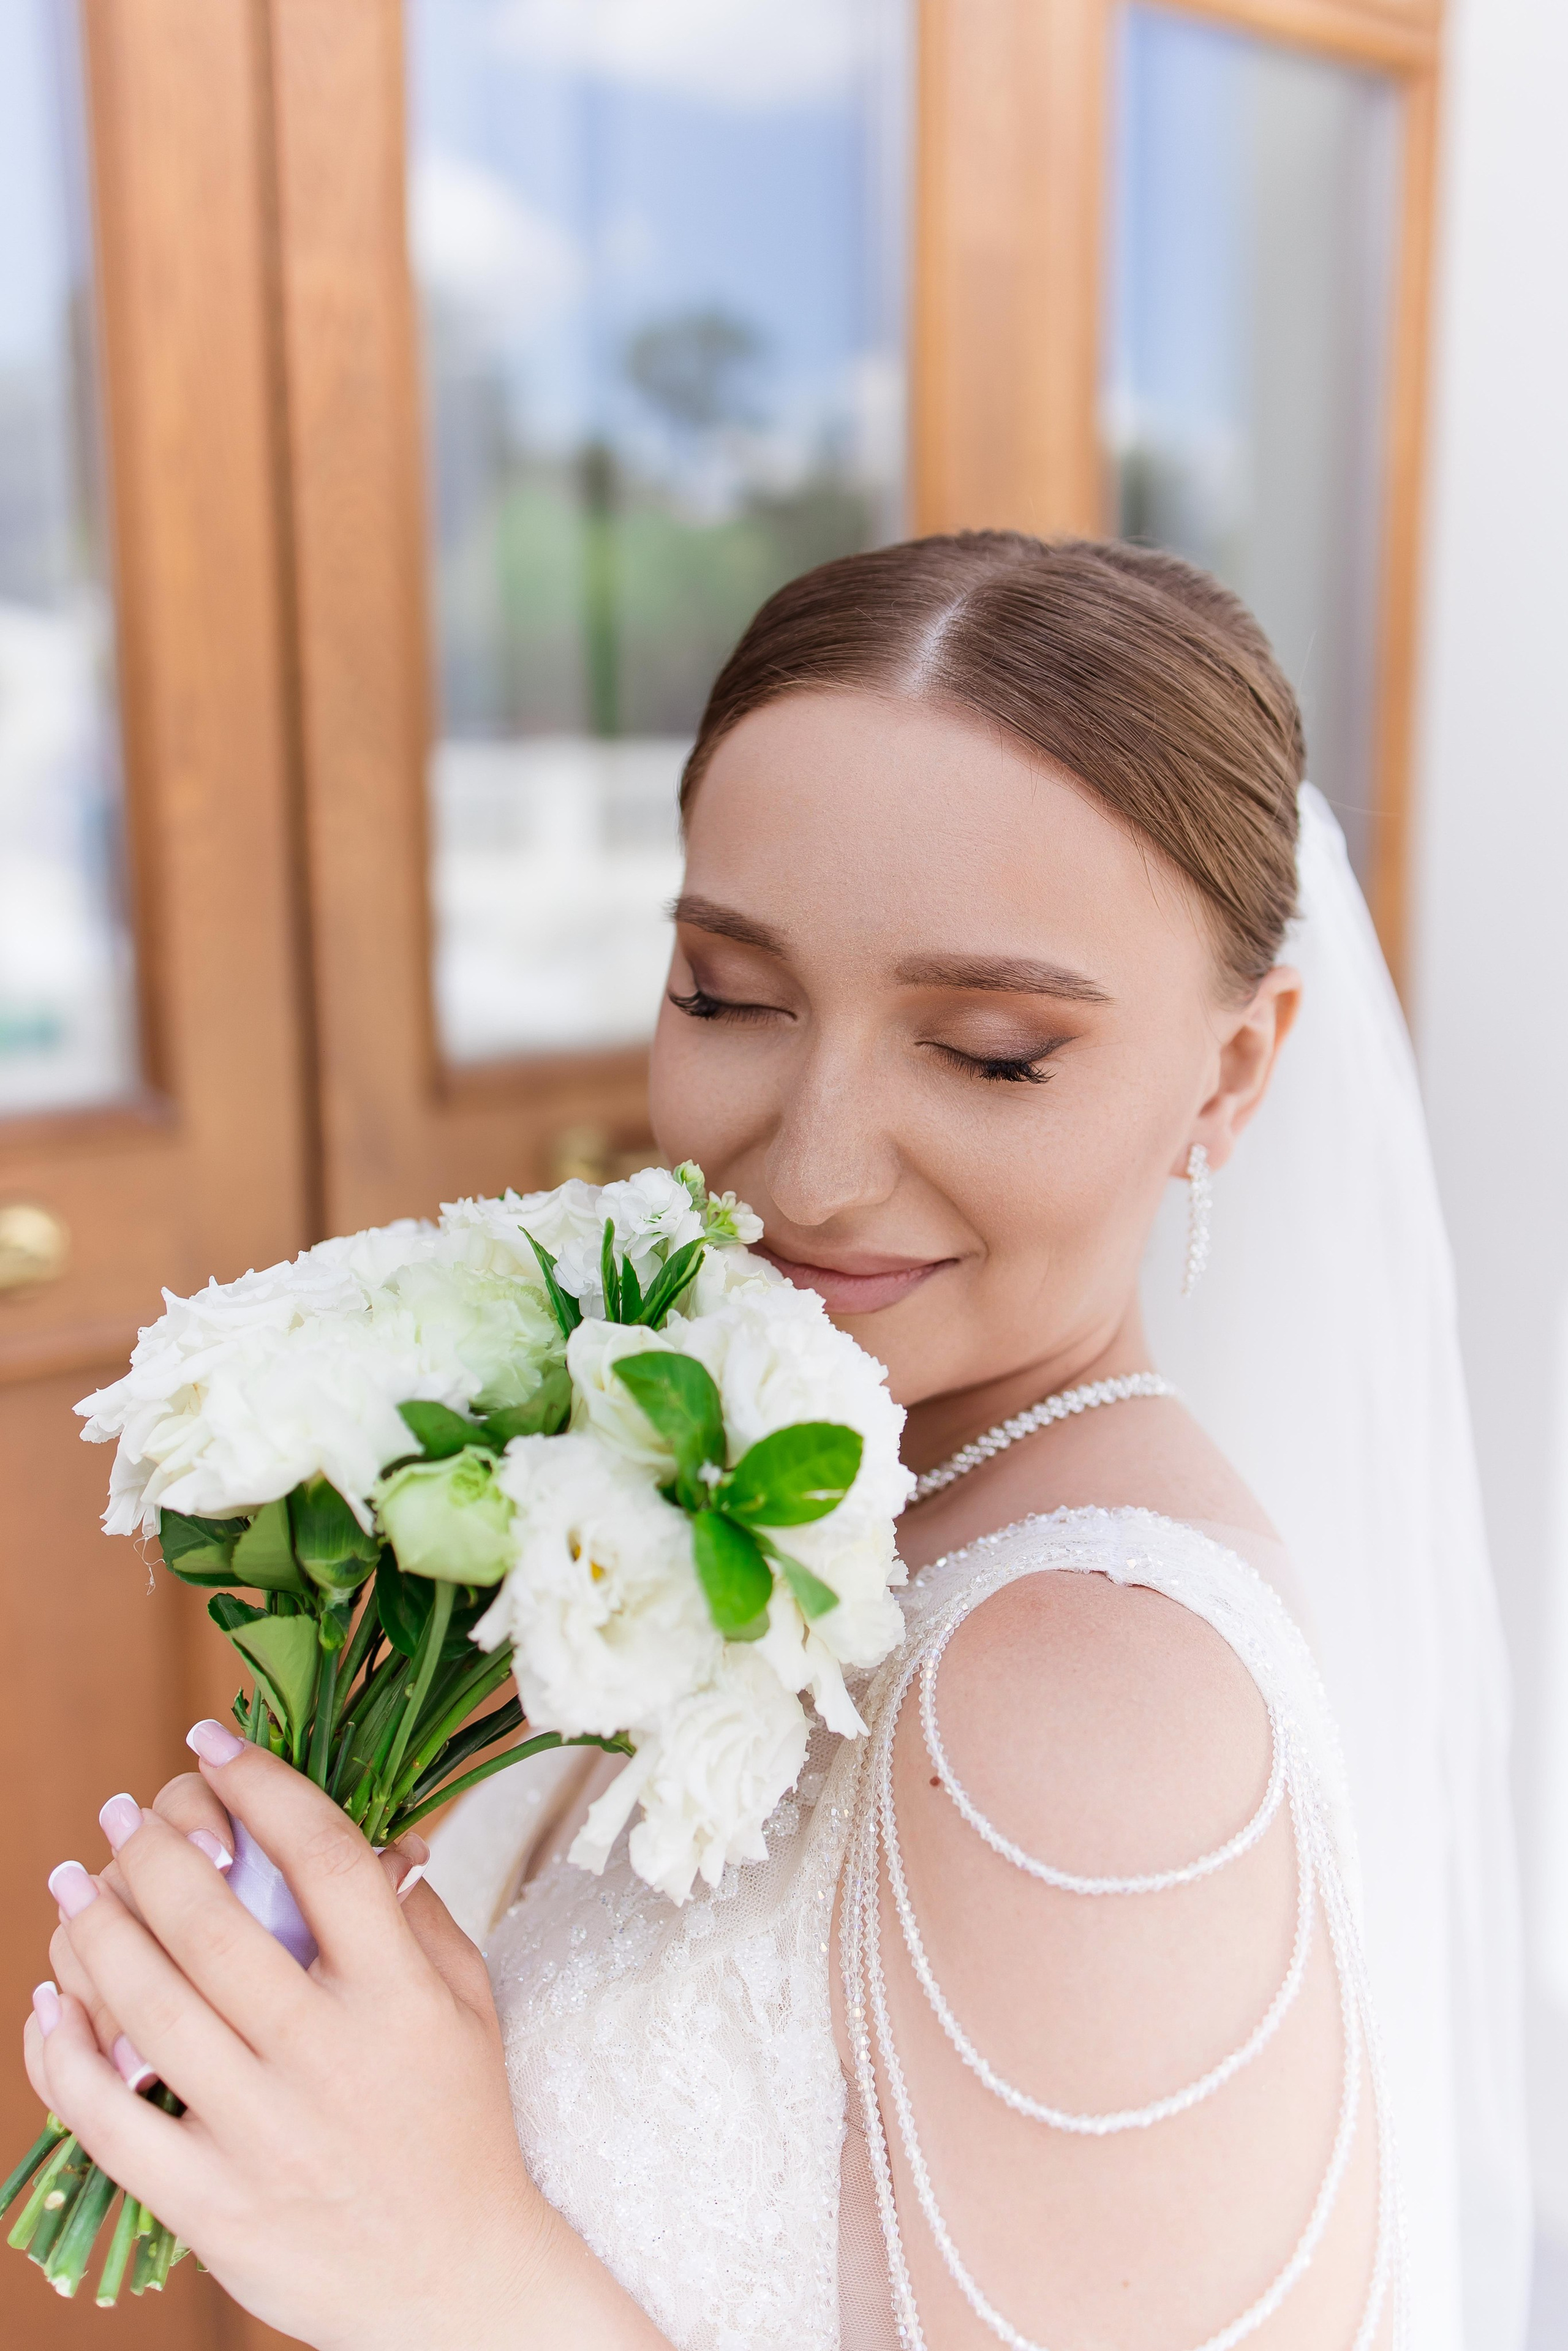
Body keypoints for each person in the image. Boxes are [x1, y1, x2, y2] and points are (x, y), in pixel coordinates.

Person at [23, 534, 1527, 2350]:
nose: (807, 1170)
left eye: (987, 1051)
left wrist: (442, 2270)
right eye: (729, 998)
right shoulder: (760, 1484)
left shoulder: (1085, 1702)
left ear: (1231, 1075)